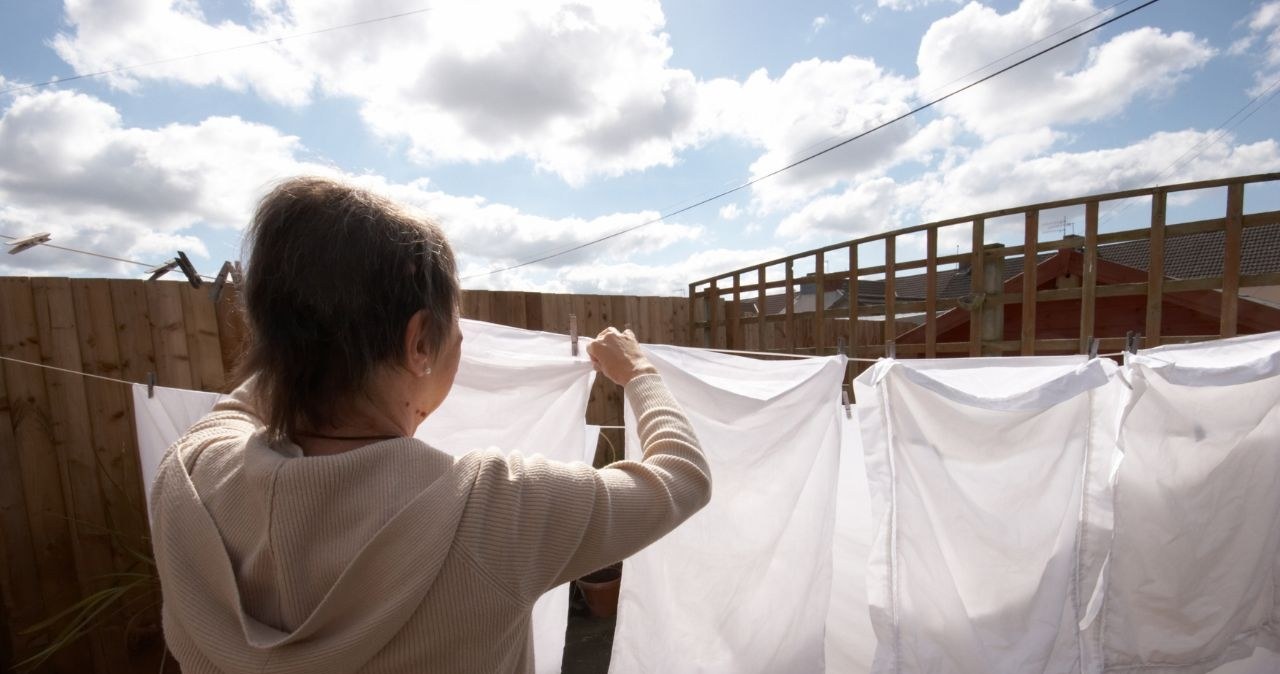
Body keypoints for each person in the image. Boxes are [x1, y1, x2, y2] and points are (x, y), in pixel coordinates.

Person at [148, 176, 711, 673]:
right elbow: (682, 477)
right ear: (420, 342)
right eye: (455, 331)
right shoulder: (493, 509)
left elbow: (243, 405)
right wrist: (638, 371)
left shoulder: (190, 479)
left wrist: (303, 345)